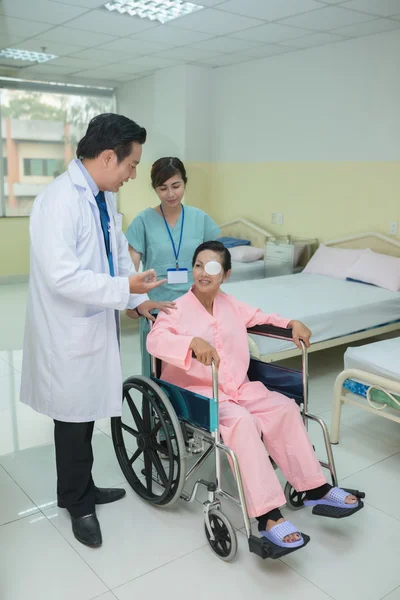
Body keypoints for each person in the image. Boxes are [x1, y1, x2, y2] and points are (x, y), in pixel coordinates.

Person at [147, 241, 363, 554]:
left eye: (212, 268)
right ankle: (267, 515)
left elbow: (261, 316)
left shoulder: (230, 304)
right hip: (200, 392)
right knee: (243, 424)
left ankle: (315, 487)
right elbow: (156, 340)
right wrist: (192, 342)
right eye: (198, 266)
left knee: (285, 408)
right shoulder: (177, 309)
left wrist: (291, 324)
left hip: (238, 385)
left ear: (226, 274)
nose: (203, 273)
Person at [20, 113, 175, 549]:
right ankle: (76, 502)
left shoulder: (101, 196)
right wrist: (123, 288)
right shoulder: (59, 201)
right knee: (72, 421)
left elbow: (116, 256)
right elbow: (62, 277)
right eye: (131, 165)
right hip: (67, 333)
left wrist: (136, 298)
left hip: (92, 324)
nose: (133, 175)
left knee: (85, 416)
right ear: (108, 157)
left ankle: (83, 489)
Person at [124, 157, 220, 375]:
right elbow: (130, 270)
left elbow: (214, 262)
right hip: (158, 309)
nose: (171, 194)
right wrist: (133, 302)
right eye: (163, 188)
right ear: (155, 189)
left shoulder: (199, 218)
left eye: (176, 186)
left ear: (184, 183)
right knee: (159, 373)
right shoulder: (143, 221)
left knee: (195, 373)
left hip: (196, 307)